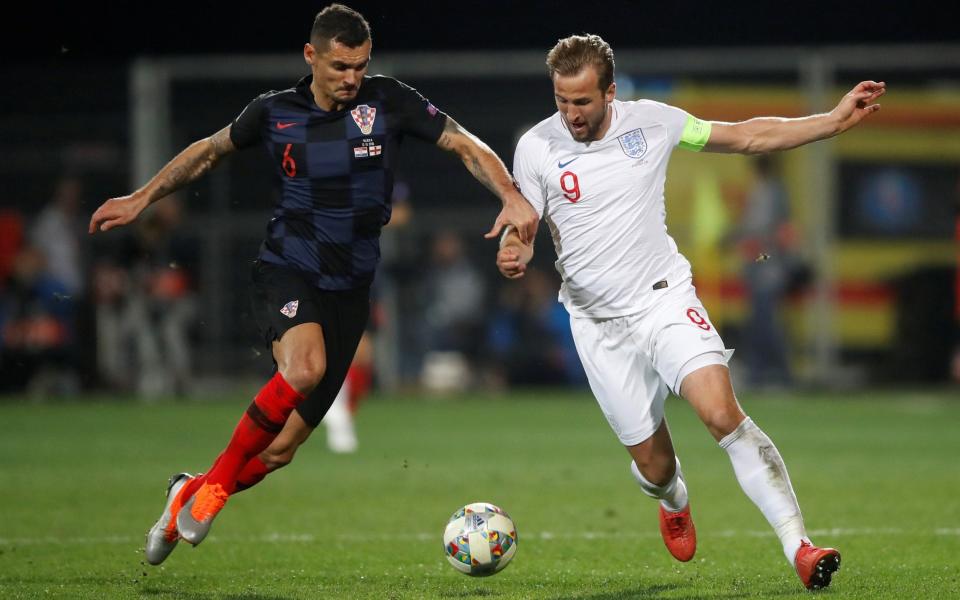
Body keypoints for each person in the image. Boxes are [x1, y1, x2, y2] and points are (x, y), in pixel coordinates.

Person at [88, 4, 537, 566]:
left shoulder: (388, 101)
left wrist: (509, 193)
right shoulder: (274, 114)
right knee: (304, 369)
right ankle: (214, 492)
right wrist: (141, 198)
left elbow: (466, 144)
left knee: (279, 451)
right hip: (288, 266)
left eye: (360, 65)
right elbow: (208, 152)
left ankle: (188, 490)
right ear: (311, 56)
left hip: (349, 288)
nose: (351, 78)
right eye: (340, 66)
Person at [496, 34, 883, 590]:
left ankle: (799, 545)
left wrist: (832, 121)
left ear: (609, 92)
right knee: (655, 469)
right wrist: (515, 248)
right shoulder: (535, 146)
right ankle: (673, 498)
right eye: (561, 100)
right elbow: (524, 222)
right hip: (598, 326)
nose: (570, 114)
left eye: (582, 101)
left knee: (722, 413)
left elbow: (749, 136)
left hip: (664, 300)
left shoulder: (653, 122)